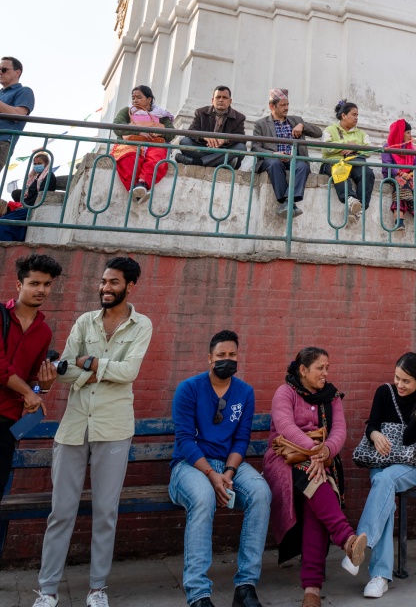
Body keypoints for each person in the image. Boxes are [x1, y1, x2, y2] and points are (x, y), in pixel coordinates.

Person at [32, 257, 153, 607]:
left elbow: (129, 371)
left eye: (113, 282)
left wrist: (86, 363)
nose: (105, 288)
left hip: (114, 428)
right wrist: (90, 367)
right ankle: (48, 590)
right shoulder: (85, 321)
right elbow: (64, 369)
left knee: (105, 512)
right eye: (103, 282)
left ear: (130, 286)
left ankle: (97, 589)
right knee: (61, 511)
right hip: (73, 427)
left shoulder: (141, 324)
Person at [169, 330, 271, 607]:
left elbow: (241, 438)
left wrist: (228, 472)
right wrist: (211, 474)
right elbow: (185, 440)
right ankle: (199, 594)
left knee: (261, 493)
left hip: (228, 466)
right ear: (209, 359)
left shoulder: (245, 392)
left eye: (232, 355)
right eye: (221, 355)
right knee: (203, 497)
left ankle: (246, 587)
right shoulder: (189, 389)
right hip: (190, 466)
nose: (227, 360)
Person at [263, 346, 367, 607]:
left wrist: (325, 452)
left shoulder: (331, 396)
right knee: (315, 481)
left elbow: (340, 431)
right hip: (285, 459)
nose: (325, 373)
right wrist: (314, 452)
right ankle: (345, 539)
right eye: (320, 368)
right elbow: (285, 428)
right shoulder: (285, 393)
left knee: (315, 499)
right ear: (303, 370)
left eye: (327, 368)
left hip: (319, 461)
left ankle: (312, 592)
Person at [353, 352, 416, 599]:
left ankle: (361, 545)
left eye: (406, 381)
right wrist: (375, 435)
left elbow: (409, 440)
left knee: (384, 482)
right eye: (397, 378)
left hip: (409, 468)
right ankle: (380, 576)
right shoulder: (384, 392)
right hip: (379, 463)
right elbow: (372, 424)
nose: (400, 385)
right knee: (385, 495)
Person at [0, 253, 62, 503]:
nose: (41, 290)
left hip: (6, 423)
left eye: (47, 284)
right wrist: (29, 392)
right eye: (34, 283)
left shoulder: (43, 331)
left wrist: (43, 387)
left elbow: (33, 379)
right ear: (19, 285)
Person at [251, 89, 322, 217]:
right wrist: (274, 154)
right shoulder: (260, 124)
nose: (286, 108)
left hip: (294, 158)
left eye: (287, 104)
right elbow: (256, 148)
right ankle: (288, 202)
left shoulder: (296, 120)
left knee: (302, 166)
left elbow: (319, 133)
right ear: (272, 106)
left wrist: (303, 126)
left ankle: (287, 203)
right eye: (283, 105)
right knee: (274, 164)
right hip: (272, 159)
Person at [111, 85, 175, 203]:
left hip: (154, 144)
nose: (135, 100)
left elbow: (171, 133)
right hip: (131, 143)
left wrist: (158, 133)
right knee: (128, 155)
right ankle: (135, 190)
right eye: (133, 97)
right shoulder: (127, 111)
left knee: (157, 155)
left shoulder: (161, 115)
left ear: (149, 99)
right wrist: (139, 132)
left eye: (139, 97)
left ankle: (143, 184)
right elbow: (117, 126)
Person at [321, 102, 375, 223]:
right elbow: (325, 147)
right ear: (344, 116)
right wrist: (344, 145)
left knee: (368, 173)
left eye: (357, 115)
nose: (356, 118)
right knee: (341, 170)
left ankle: (359, 207)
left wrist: (355, 148)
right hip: (333, 162)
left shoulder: (361, 134)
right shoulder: (330, 130)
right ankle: (350, 199)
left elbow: (369, 151)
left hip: (354, 162)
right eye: (353, 114)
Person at [177, 87, 247, 169]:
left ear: (230, 101)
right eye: (218, 97)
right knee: (184, 142)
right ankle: (223, 162)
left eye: (224, 98)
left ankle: (198, 162)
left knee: (241, 148)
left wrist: (225, 140)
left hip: (224, 150)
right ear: (213, 100)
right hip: (204, 148)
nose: (221, 100)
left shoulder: (239, 117)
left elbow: (241, 138)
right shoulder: (201, 112)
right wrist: (204, 137)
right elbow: (192, 131)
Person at [381, 120, 416, 234]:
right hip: (394, 176)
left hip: (409, 175)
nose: (410, 135)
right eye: (408, 132)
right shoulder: (388, 146)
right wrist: (400, 173)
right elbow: (386, 165)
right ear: (400, 133)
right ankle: (399, 220)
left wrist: (411, 174)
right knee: (402, 183)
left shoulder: (411, 148)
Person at [0, 149, 57, 242]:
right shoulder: (35, 177)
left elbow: (42, 196)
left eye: (39, 163)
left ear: (46, 163)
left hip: (34, 207)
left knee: (4, 222)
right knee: (4, 219)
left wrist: (25, 205)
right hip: (26, 206)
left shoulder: (49, 176)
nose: (37, 166)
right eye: (35, 164)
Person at [0, 56, 35, 172]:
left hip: (2, 140)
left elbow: (18, 115)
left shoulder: (24, 91)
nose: (0, 72)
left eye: (4, 69)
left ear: (17, 72)